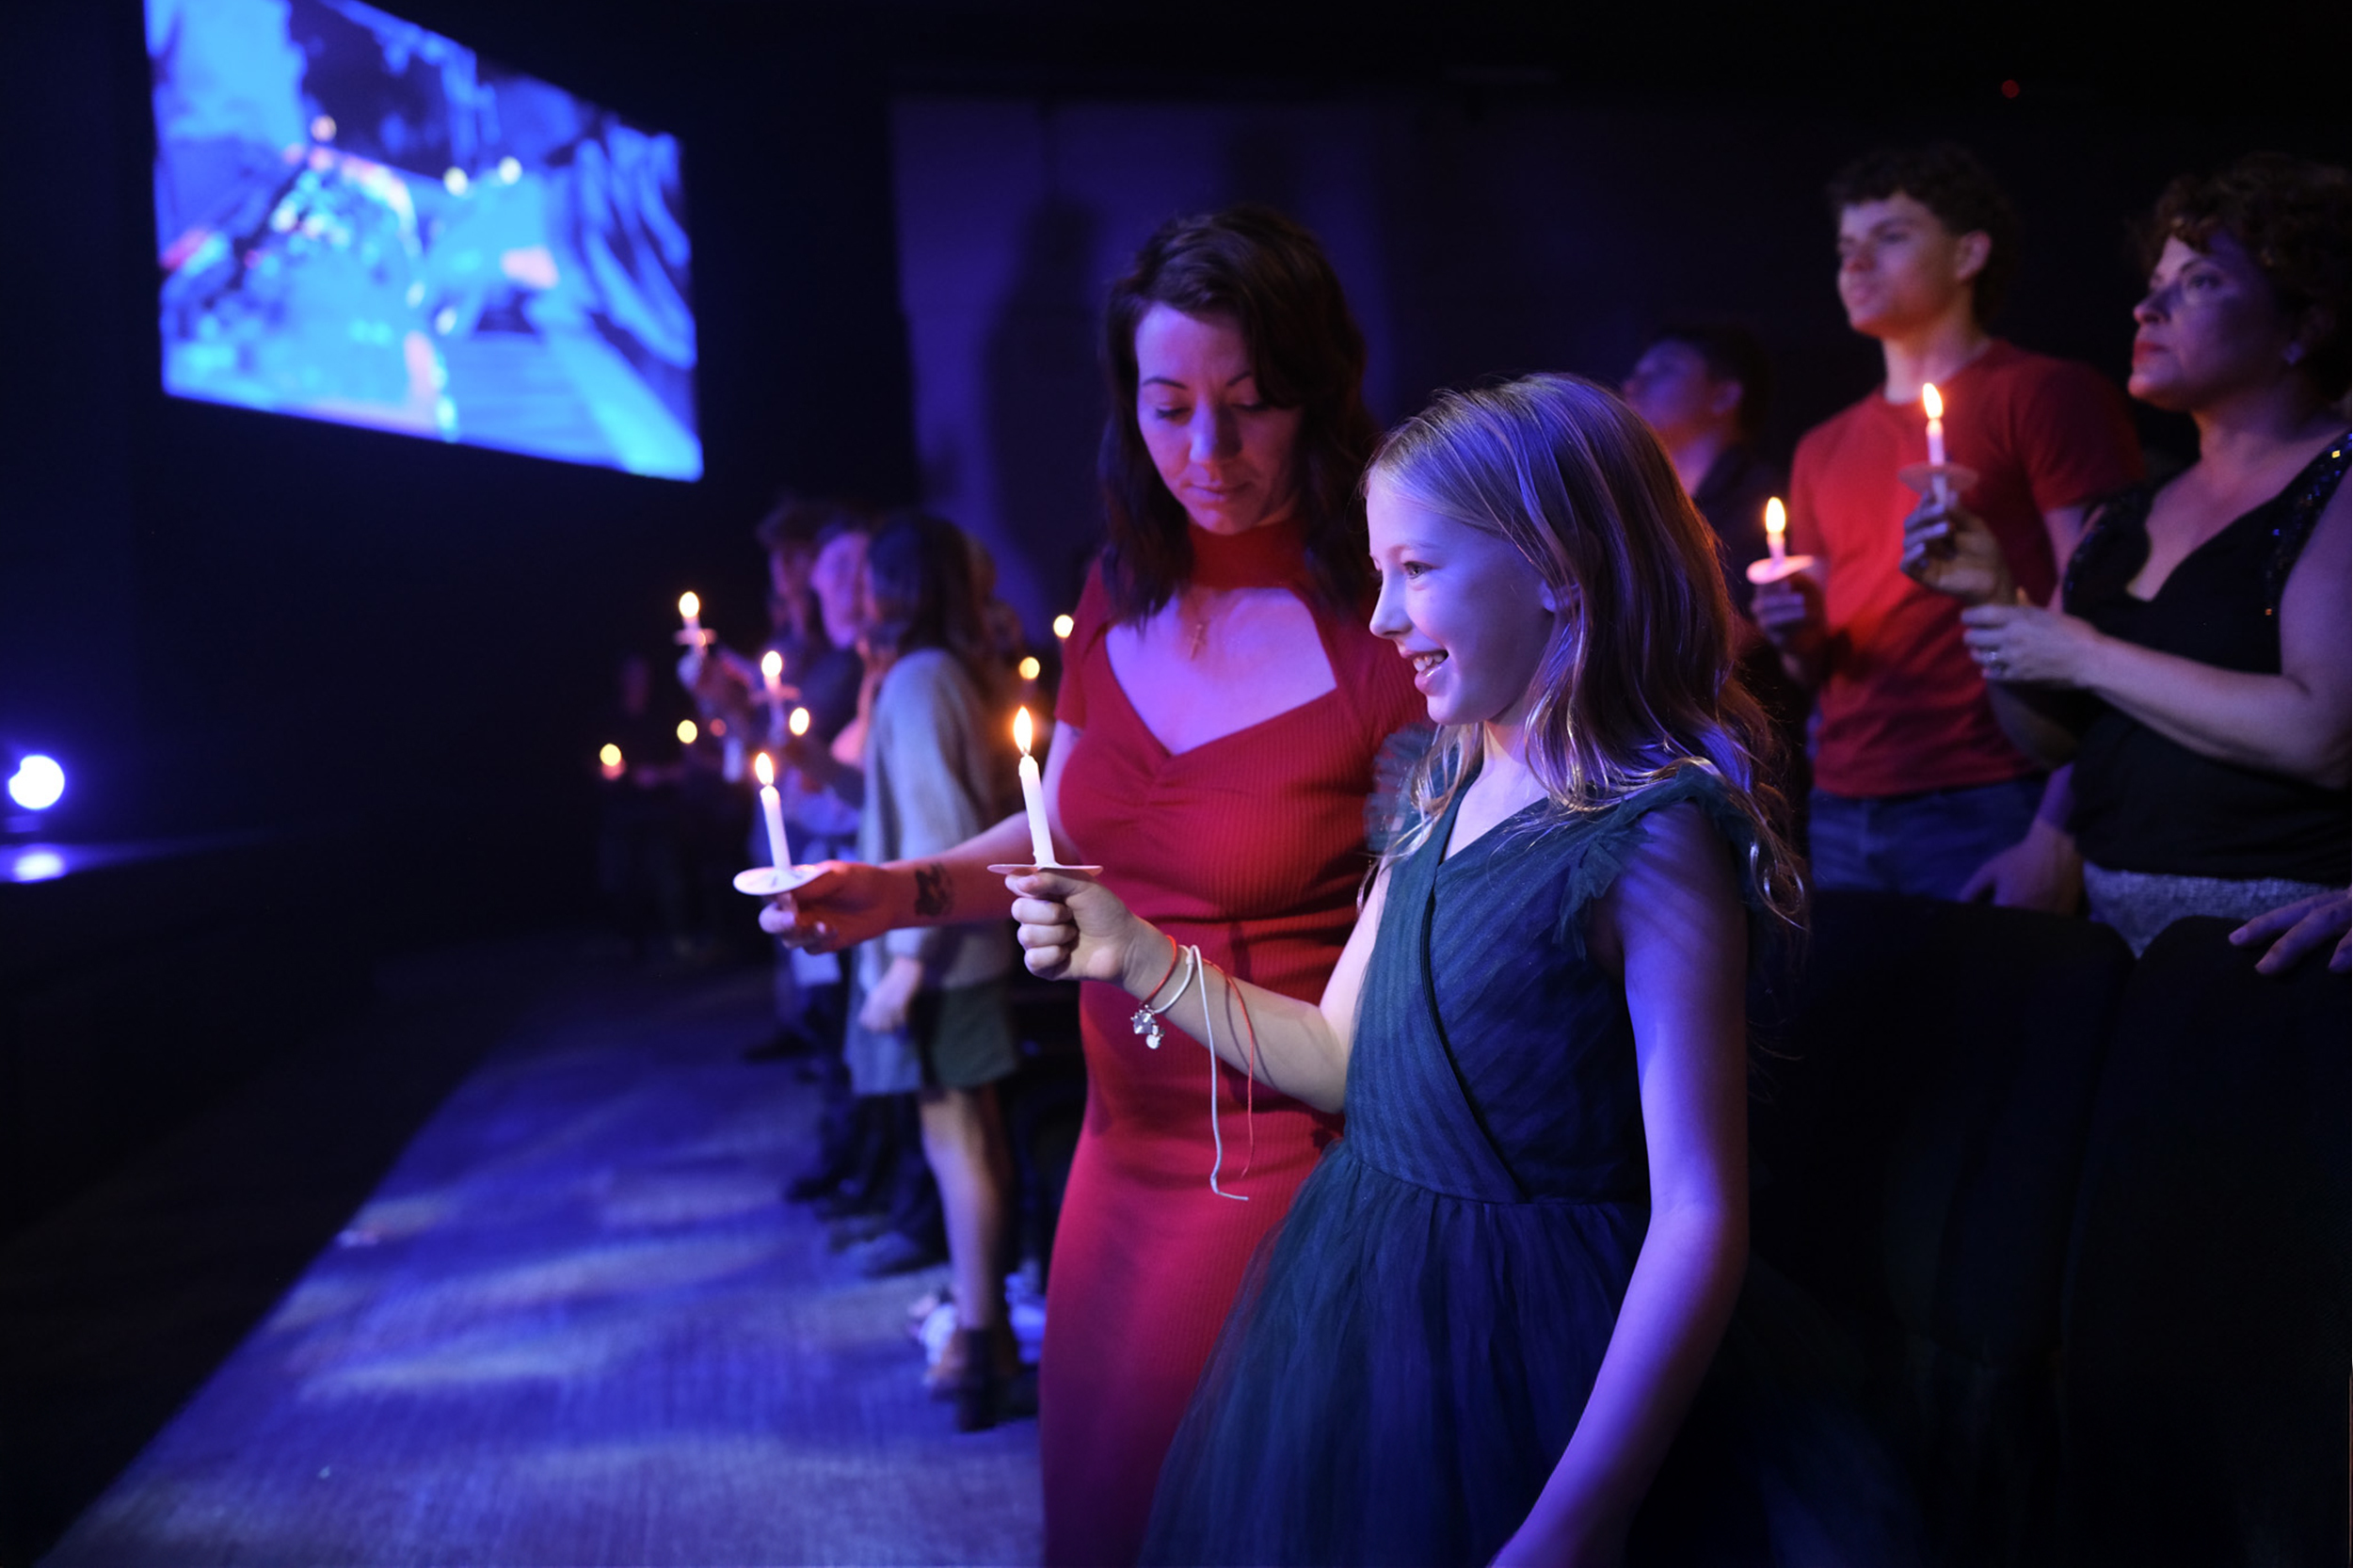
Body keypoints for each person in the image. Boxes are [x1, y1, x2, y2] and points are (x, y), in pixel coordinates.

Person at [1009, 375, 1864, 1566]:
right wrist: (1136, 953)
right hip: (1375, 1290)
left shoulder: (1651, 837)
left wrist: (1580, 1517)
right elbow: (1335, 1055)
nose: (1381, 618)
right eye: (1377, 573)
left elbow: (1700, 1209)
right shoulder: (1445, 774)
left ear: (1558, 567)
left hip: (1533, 1338)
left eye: (1415, 570)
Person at [763, 206, 1424, 1563]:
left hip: (1278, 1163)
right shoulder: (1121, 589)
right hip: (1116, 1156)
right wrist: (900, 891)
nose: (1207, 451)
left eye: (1250, 402)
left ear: (1316, 390)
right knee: (1096, 1514)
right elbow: (1062, 834)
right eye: (1169, 406)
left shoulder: (1384, 621)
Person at [1903, 154, 2347, 956]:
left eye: (2201, 282)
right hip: (2115, 939)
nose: (2148, 308)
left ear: (2307, 323)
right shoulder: (2128, 513)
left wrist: (2085, 653)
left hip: (2276, 944)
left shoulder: (2338, 484)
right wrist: (1993, 602)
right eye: (2155, 282)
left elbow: (2324, 737)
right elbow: (2057, 742)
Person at [1753, 142, 2144, 905]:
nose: (1856, 262)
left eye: (1891, 236)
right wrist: (1793, 634)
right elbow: (1815, 664)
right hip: (1844, 796)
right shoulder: (1822, 446)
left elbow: (2103, 612)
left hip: (1994, 786)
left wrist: (2055, 833)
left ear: (1969, 254)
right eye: (1846, 245)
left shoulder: (2044, 395)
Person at [836, 510, 1027, 1429]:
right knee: (970, 1141)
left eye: (868, 578)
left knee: (959, 1146)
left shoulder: (917, 679)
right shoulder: (948, 669)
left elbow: (937, 827)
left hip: (940, 957)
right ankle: (986, 1331)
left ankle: (980, 1341)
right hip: (961, 948)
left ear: (894, 587)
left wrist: (905, 966)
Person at [1623, 323, 1810, 834]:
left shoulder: (1761, 500)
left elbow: (1726, 639)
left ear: (1724, 395)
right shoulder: (1645, 510)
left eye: (1663, 370)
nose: (1633, 385)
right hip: (1663, 761)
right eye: (1635, 371)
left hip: (1747, 769)